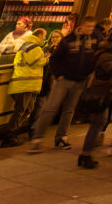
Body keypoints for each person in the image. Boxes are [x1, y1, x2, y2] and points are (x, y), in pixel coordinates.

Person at [29, 15, 99, 151]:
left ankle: (62, 137)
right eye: (88, 26)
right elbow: (54, 59)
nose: (91, 29)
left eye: (92, 26)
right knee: (51, 108)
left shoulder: (93, 40)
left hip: (80, 80)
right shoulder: (68, 40)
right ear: (81, 26)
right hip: (64, 79)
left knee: (69, 110)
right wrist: (58, 74)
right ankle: (37, 138)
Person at [78, 31, 112, 168]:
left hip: (101, 91)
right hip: (99, 92)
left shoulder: (107, 53)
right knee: (97, 123)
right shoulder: (106, 55)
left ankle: (85, 154)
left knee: (99, 122)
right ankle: (86, 154)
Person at [2, 29, 48, 147]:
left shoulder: (26, 45)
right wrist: (48, 58)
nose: (44, 39)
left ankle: (13, 134)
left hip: (25, 84)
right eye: (44, 36)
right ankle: (9, 136)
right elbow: (36, 62)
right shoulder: (34, 47)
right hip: (25, 84)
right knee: (21, 111)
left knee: (26, 110)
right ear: (39, 36)